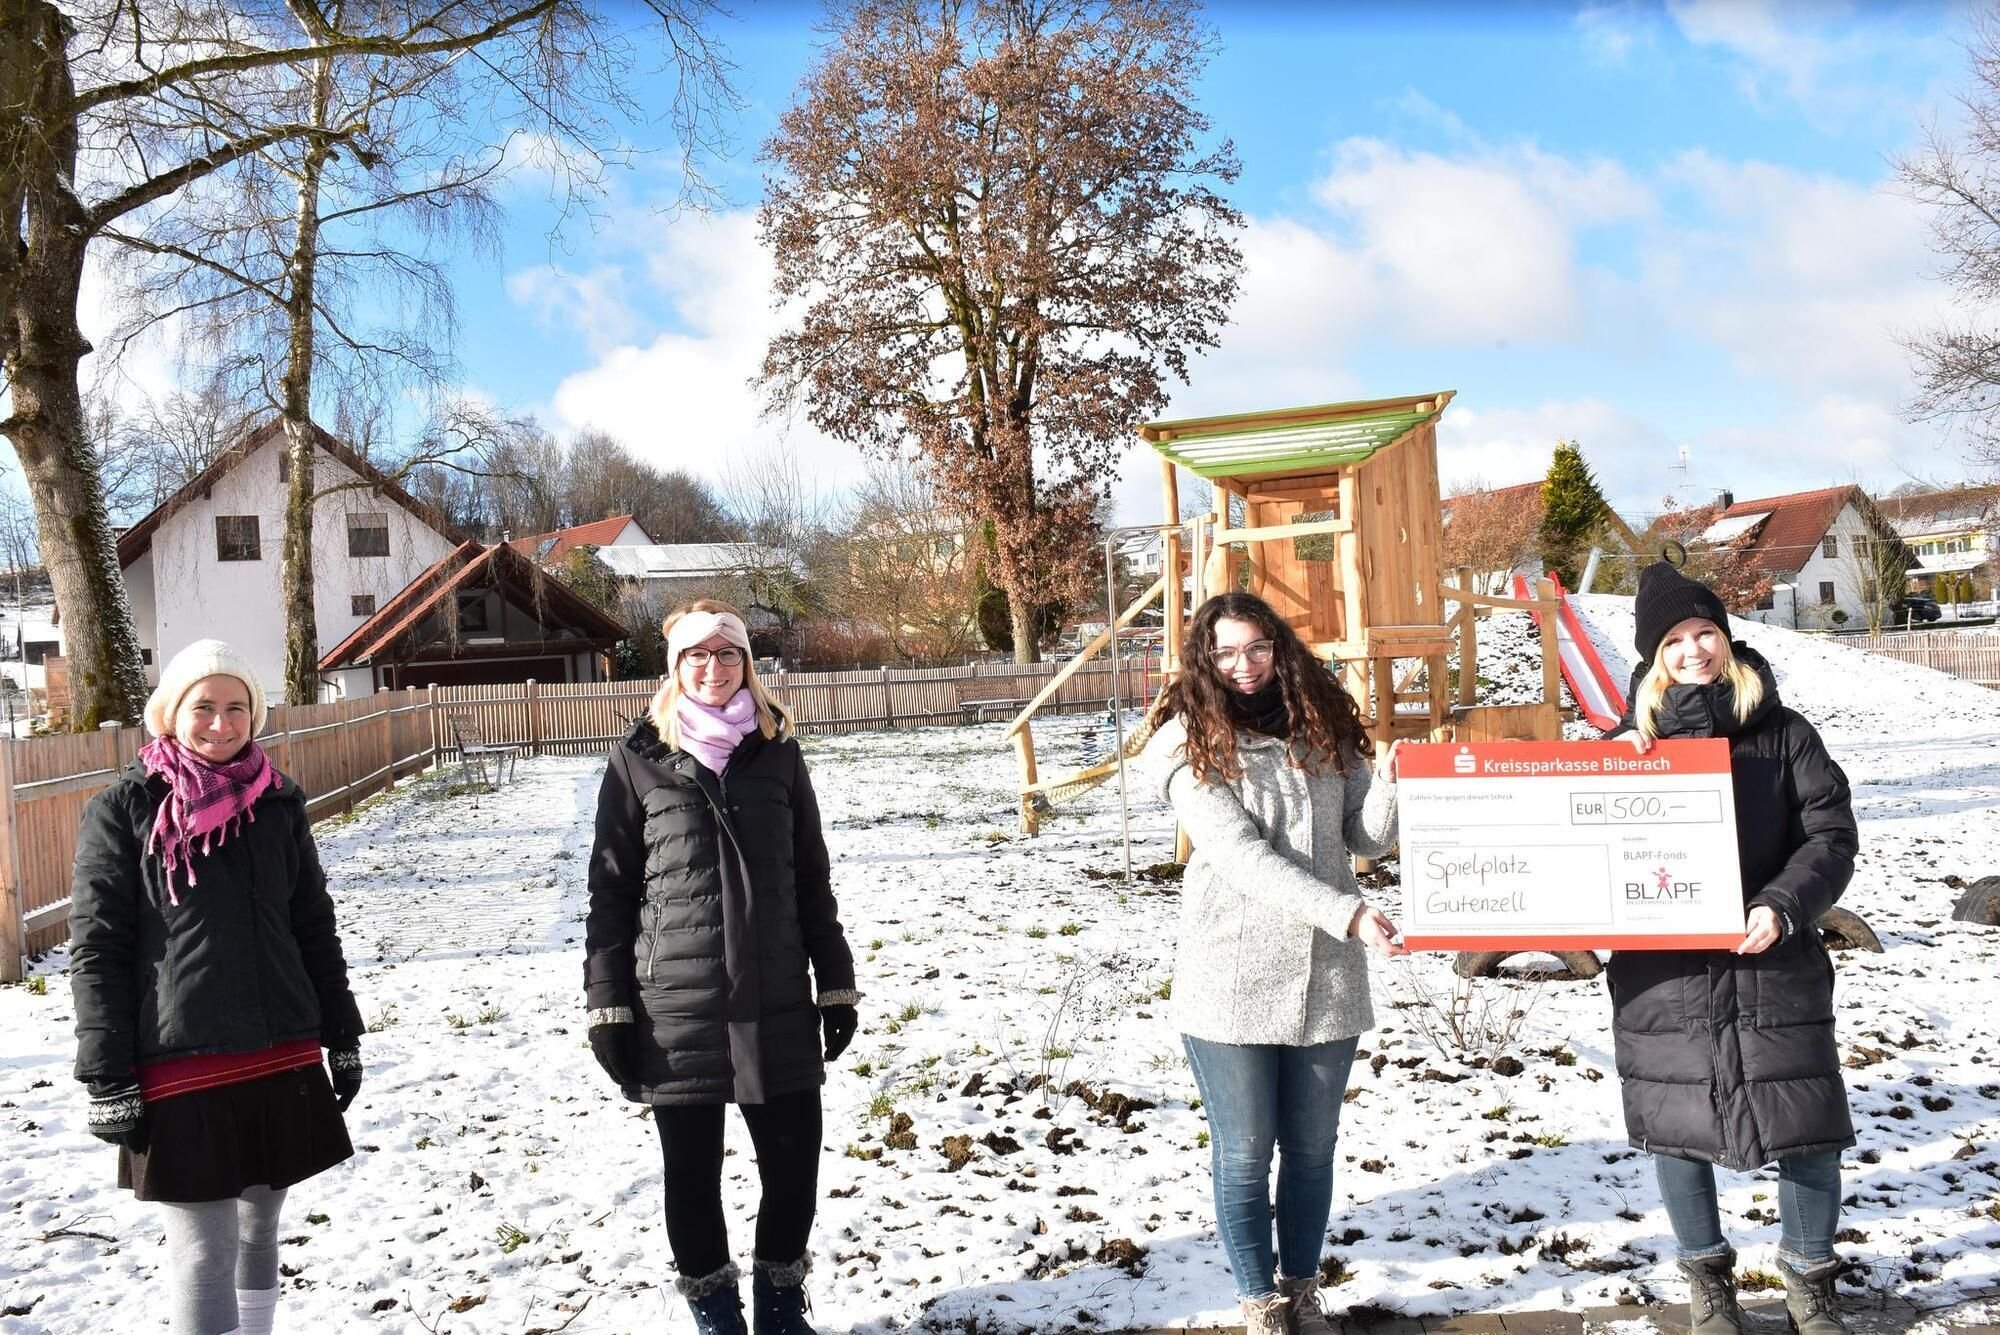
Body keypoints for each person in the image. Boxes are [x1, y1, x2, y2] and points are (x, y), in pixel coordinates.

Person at [69, 640, 364, 1335]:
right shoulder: (124, 810)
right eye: (204, 707)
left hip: (279, 1051)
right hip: (179, 1062)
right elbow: (98, 947)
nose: (221, 724)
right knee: (205, 1250)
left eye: (237, 708)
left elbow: (312, 928)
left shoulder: (279, 804)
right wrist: (106, 1074)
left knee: (262, 1232)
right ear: (172, 712)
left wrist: (341, 1032)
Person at [583, 599, 859, 1335]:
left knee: (794, 1167)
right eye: (696, 656)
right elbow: (609, 890)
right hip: (679, 1006)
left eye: (726, 654)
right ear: (676, 667)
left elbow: (811, 877)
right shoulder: (638, 759)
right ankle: (718, 1321)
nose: (712, 668)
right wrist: (607, 1002)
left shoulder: (779, 753)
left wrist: (834, 982)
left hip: (775, 997)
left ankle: (778, 1311)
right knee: (692, 1178)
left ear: (748, 664)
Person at [1143, 591, 1405, 1335]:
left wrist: (1389, 781)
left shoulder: (1320, 719)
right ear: (1203, 660)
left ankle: (1300, 1288)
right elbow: (1242, 858)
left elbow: (1364, 835)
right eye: (1224, 652)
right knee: (1245, 1150)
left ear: (1278, 645)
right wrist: (1350, 912)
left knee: (1314, 1149)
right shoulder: (1188, 743)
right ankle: (1260, 1302)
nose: (1243, 665)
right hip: (1230, 977)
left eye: (1255, 647)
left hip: (1326, 977)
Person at [1608, 561, 1859, 1335]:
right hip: (1665, 974)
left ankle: (1811, 1283)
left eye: (1705, 633)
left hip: (1771, 960)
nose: (1694, 650)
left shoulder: (1785, 735)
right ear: (1654, 657)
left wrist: (1783, 904)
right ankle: (1707, 1282)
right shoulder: (1625, 749)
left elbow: (1830, 833)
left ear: (1728, 638)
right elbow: (1579, 848)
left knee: (1807, 1122)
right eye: (1675, 640)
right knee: (1678, 1128)